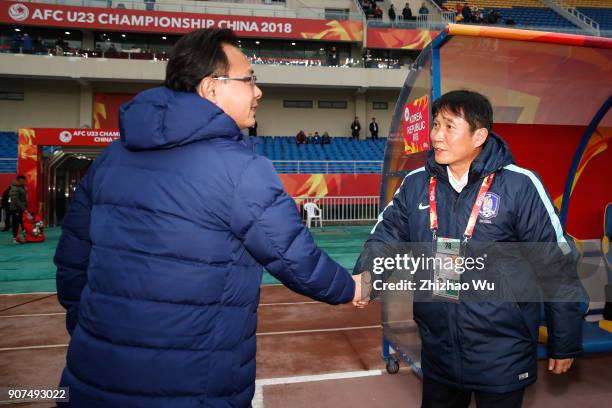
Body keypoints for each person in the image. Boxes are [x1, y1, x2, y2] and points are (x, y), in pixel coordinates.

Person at [54, 28, 367, 407]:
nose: (258, 91)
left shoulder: (110, 158)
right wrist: (353, 288)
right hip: (191, 385)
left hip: (91, 377)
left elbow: (73, 264)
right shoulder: (240, 169)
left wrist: (90, 331)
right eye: (250, 79)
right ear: (210, 88)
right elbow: (295, 258)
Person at [353, 90, 583, 408]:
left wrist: (564, 340)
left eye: (449, 126)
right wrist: (368, 276)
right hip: (438, 350)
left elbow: (555, 264)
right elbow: (385, 237)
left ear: (479, 136)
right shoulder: (416, 183)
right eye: (435, 125)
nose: (437, 136)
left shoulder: (520, 186)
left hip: (502, 351)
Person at [9, 175, 28, 243]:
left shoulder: (22, 187)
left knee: (23, 223)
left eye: (24, 180)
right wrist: (23, 208)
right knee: (16, 223)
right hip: (15, 209)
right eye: (22, 180)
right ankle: (14, 238)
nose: (23, 182)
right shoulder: (14, 188)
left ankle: (25, 237)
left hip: (21, 209)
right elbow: (15, 199)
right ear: (18, 180)